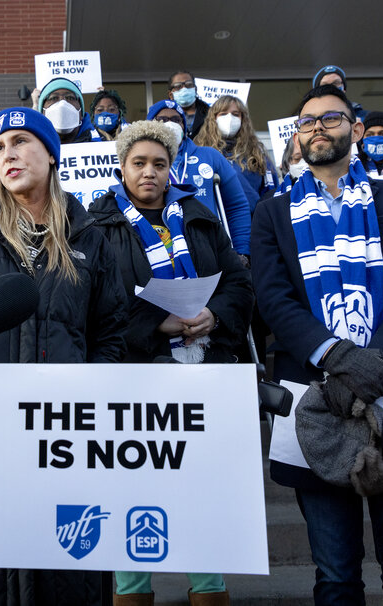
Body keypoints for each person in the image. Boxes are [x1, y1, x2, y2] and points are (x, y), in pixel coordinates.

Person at [0, 106, 127, 605]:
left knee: (64, 573)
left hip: (67, 434)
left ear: (51, 154)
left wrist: (92, 387)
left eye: (20, 142)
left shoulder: (90, 238)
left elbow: (113, 332)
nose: (7, 155)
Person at [251, 85, 383, 604]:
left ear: (356, 130)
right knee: (335, 576)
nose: (317, 128)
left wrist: (374, 364)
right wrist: (337, 357)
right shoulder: (271, 213)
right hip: (315, 402)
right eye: (307, 121)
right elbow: (273, 298)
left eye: (331, 118)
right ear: (297, 137)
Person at [88, 120, 252, 606]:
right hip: (137, 374)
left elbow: (238, 283)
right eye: (138, 163)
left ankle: (209, 589)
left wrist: (214, 314)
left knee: (202, 483)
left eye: (159, 164)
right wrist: (152, 323)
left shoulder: (200, 214)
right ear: (121, 168)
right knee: (133, 486)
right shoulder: (97, 225)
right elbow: (94, 299)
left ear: (171, 168)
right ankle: (131, 592)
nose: (149, 172)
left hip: (205, 368)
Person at [146, 100, 254, 257]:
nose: (170, 124)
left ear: (184, 126)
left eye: (176, 120)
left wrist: (241, 251)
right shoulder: (143, 163)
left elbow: (236, 206)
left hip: (209, 248)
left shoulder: (210, 156)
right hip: (162, 251)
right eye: (162, 120)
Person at [195, 94, 279, 206]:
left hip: (253, 215)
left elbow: (271, 193)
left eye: (235, 114)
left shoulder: (257, 153)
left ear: (243, 119)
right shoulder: (201, 152)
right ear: (213, 119)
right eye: (223, 114)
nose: (229, 118)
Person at [37, 77, 99, 144]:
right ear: (42, 112)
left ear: (81, 112)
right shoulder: (32, 145)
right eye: (54, 98)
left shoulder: (102, 142)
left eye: (70, 98)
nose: (62, 104)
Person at [167, 70, 209, 139]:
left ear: (195, 90)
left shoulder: (209, 114)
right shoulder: (164, 117)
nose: (184, 89)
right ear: (170, 95)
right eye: (178, 86)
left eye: (189, 85)